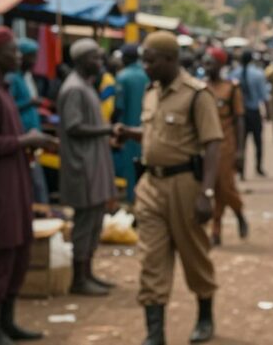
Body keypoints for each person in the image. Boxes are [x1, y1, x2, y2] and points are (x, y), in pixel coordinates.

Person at [113, 31, 224, 345]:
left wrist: (207, 192)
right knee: (151, 259)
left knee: (194, 256)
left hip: (185, 186)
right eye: (143, 60)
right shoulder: (152, 92)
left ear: (171, 60)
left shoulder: (196, 95)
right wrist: (130, 133)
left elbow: (213, 144)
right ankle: (155, 333)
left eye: (151, 61)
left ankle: (204, 316)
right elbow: (155, 133)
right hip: (150, 186)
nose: (145, 66)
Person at [0, 26, 58, 344]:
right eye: (13, 51)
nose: (19, 57)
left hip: (13, 186)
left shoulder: (0, 88)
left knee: (18, 255)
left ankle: (7, 322)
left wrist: (28, 142)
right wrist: (25, 140)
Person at [56, 38, 117, 297]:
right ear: (81, 60)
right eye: (95, 58)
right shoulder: (74, 89)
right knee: (84, 224)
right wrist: (107, 129)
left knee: (94, 222)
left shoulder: (87, 86)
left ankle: (88, 273)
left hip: (94, 164)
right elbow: (73, 126)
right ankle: (79, 280)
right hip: (82, 166)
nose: (100, 63)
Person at [205, 47, 249, 246]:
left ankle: (237, 212)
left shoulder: (231, 88)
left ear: (221, 65)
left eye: (211, 62)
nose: (207, 67)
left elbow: (239, 120)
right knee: (210, 186)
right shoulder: (201, 88)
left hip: (225, 144)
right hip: (205, 144)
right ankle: (216, 229)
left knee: (224, 185)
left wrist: (240, 150)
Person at [7, 37, 50, 205]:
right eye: (31, 56)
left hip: (33, 137)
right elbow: (9, 107)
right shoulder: (12, 79)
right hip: (22, 138)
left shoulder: (27, 77)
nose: (34, 61)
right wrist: (30, 103)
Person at [114, 44, 149, 203]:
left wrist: (114, 127)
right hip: (147, 129)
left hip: (129, 130)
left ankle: (133, 201)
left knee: (130, 169)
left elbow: (119, 107)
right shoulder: (147, 74)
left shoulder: (123, 77)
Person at [231, 50, 270, 179]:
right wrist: (268, 111)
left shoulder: (234, 74)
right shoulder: (258, 74)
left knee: (241, 142)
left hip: (240, 113)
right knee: (257, 141)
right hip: (253, 112)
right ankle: (258, 167)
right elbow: (264, 95)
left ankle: (241, 171)